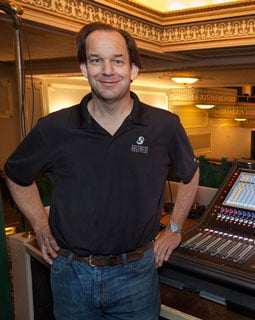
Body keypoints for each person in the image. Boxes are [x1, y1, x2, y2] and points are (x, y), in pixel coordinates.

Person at [5, 22, 199, 319]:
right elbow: (16, 175)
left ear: (133, 69)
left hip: (137, 274)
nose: (108, 70)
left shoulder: (165, 126)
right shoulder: (53, 128)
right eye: (96, 60)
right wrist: (40, 225)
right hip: (71, 275)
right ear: (84, 68)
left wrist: (174, 229)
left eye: (118, 60)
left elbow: (190, 174)